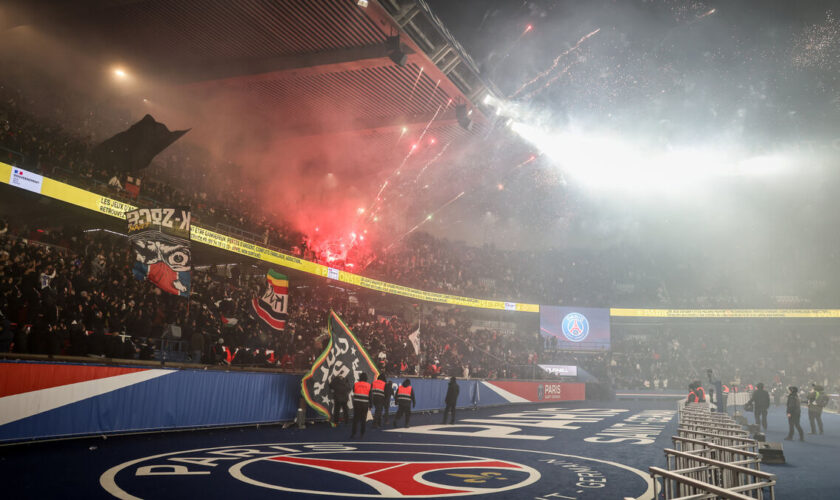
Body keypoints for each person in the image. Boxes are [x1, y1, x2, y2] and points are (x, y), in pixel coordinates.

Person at [350, 372, 371, 439]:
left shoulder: (356, 384)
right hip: (365, 404)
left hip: (357, 404)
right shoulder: (369, 385)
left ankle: (353, 433)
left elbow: (353, 391)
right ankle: (362, 434)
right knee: (363, 419)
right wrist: (370, 405)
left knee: (355, 419)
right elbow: (371, 396)